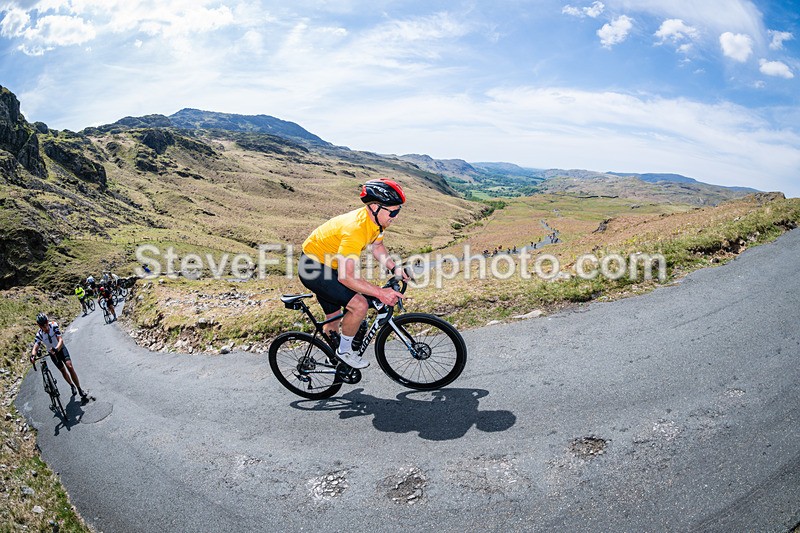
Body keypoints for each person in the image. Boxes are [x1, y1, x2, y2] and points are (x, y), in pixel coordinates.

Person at [298, 178, 409, 369]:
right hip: (313, 268)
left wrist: (393, 267)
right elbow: (346, 277)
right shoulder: (355, 229)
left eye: (398, 210)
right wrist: (381, 293)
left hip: (329, 266)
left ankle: (333, 358)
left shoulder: (375, 223)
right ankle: (344, 352)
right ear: (375, 206)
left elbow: (377, 246)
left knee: (333, 318)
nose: (396, 216)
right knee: (359, 305)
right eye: (393, 211)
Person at [31, 313, 89, 402]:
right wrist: (33, 355)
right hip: (52, 354)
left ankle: (79, 389)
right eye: (43, 325)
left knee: (69, 366)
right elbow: (36, 345)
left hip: (60, 349)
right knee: (63, 371)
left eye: (46, 323)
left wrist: (57, 348)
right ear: (39, 326)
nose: (46, 326)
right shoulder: (39, 334)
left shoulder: (53, 325)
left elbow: (60, 340)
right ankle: (71, 385)